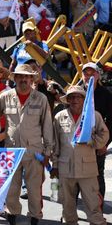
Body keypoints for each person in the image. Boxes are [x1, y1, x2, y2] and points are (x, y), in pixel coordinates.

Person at [0, 64, 54, 225]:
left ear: (31, 79)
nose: (23, 79)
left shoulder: (40, 98)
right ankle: (12, 219)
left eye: (26, 77)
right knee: (12, 191)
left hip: (34, 152)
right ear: (14, 79)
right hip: (11, 151)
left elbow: (47, 126)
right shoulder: (5, 97)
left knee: (34, 190)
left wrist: (48, 152)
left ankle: (34, 219)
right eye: (20, 76)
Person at [51, 85, 108, 225]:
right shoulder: (59, 117)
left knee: (93, 202)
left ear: (84, 99)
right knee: (67, 203)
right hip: (66, 167)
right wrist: (55, 165)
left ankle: (97, 222)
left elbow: (104, 134)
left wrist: (92, 142)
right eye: (72, 97)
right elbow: (55, 143)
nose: (75, 99)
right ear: (68, 100)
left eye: (78, 97)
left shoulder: (94, 115)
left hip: (87, 168)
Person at [81, 62, 112, 201]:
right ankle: (71, 210)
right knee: (75, 175)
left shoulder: (106, 94)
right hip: (79, 143)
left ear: (98, 75)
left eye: (92, 73)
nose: (89, 77)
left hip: (98, 142)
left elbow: (111, 121)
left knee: (97, 175)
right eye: (85, 74)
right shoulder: (76, 92)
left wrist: (104, 144)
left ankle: (98, 207)